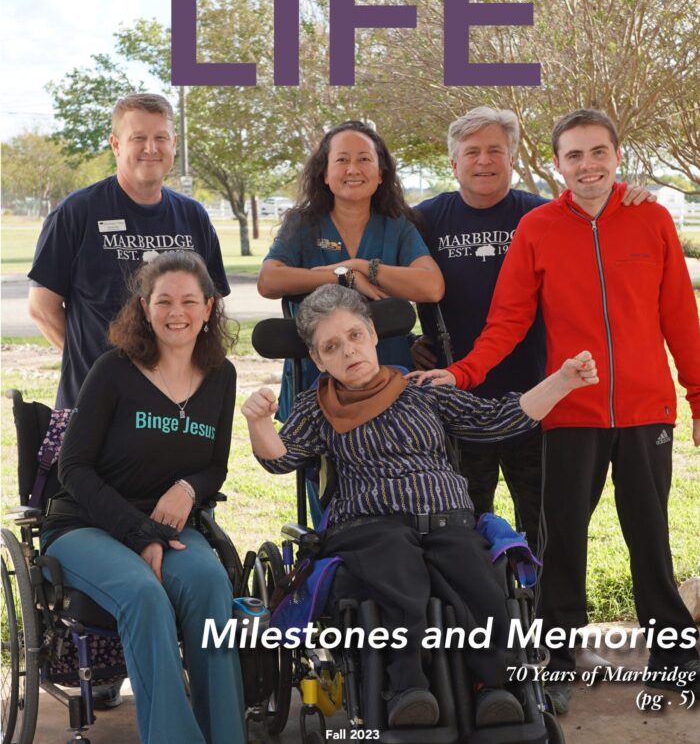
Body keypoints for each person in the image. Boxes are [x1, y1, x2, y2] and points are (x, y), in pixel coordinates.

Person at [415, 109, 700, 710]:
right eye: (574, 156)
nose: (587, 165)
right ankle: (558, 655)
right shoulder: (538, 228)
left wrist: (697, 397)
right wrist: (462, 372)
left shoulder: (651, 219)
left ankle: (676, 657)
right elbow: (509, 322)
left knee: (650, 537)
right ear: (557, 164)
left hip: (648, 410)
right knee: (563, 539)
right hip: (570, 410)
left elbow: (680, 317)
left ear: (617, 156)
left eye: (597, 153)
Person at [242, 284, 599, 729]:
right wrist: (259, 422)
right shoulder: (318, 408)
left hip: (447, 518)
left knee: (477, 578)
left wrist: (562, 380)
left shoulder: (421, 391)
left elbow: (496, 421)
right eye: (331, 346)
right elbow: (282, 457)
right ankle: (407, 685)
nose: (348, 351)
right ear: (318, 360)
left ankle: (494, 687)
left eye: (354, 335)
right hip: (370, 525)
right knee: (399, 572)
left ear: (372, 334)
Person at [412, 106, 657, 547]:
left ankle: (537, 610)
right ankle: (481, 611)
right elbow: (386, 285)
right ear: (454, 164)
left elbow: (598, 218)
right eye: (472, 152)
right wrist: (410, 341)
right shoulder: (424, 220)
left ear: (512, 158)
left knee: (547, 527)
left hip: (538, 398)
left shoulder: (544, 216)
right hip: (457, 403)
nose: (484, 160)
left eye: (495, 150)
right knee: (463, 525)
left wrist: (629, 196)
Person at [40, 251, 245, 744]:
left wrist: (188, 488)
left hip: (171, 526)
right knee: (143, 594)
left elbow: (214, 465)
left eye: (189, 301)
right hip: (86, 524)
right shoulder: (114, 369)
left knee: (210, 585)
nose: (178, 312)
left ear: (209, 307)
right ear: (145, 307)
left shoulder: (222, 376)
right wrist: (137, 534)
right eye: (165, 301)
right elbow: (73, 468)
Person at [28, 92, 229, 411]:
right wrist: (100, 370)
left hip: (174, 403)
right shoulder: (76, 213)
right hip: (94, 403)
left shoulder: (194, 217)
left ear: (174, 144)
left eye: (160, 138)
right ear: (116, 144)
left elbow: (210, 305)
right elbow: (42, 308)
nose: (151, 148)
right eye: (138, 138)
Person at [257, 120, 444, 421]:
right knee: (320, 465)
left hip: (387, 377)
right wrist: (342, 276)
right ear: (325, 174)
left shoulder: (397, 227)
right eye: (342, 160)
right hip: (316, 380)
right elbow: (269, 281)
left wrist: (360, 267)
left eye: (364, 159)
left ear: (381, 173)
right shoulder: (303, 224)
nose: (353, 169)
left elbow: (432, 287)